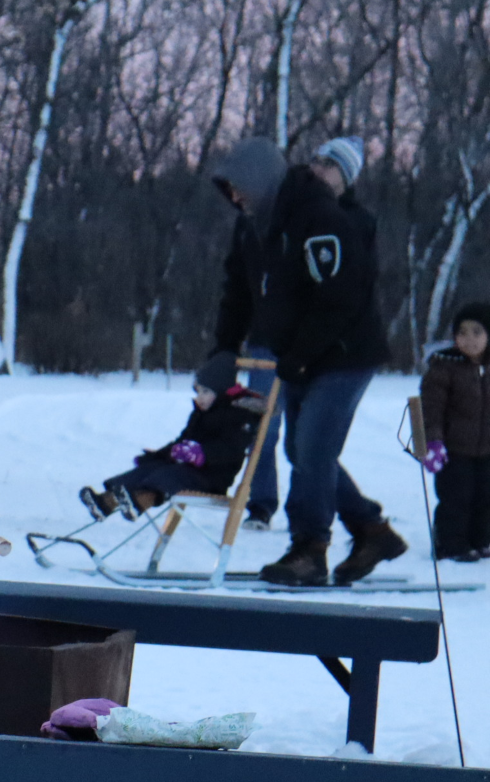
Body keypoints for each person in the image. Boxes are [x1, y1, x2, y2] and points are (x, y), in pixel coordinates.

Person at [255, 136, 407, 587]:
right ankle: (371, 531)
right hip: (307, 352)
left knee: (315, 449)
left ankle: (310, 547)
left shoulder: (347, 221)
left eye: (331, 165)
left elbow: (340, 298)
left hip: (345, 354)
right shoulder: (296, 213)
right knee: (299, 449)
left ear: (346, 178)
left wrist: (301, 352)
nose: (319, 169)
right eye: (317, 160)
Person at [80, 351, 265, 521]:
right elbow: (182, 441)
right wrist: (158, 455)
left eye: (206, 392)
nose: (200, 397)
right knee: (151, 468)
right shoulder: (201, 413)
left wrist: (202, 453)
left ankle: (140, 501)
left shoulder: (240, 415)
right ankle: (105, 502)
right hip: (189, 469)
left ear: (223, 391)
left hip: (212, 477)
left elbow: (232, 449)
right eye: (198, 391)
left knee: (169, 475)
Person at [211, 136, 289, 528]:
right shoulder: (246, 227)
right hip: (264, 344)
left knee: (308, 440)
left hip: (307, 343)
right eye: (230, 191)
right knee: (262, 427)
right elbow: (237, 291)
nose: (235, 197)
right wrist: (224, 347)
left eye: (239, 188)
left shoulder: (298, 218)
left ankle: (325, 513)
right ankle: (262, 503)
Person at [418, 302, 490, 560]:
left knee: (485, 497)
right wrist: (433, 441)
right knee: (457, 497)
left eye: (477, 332)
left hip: (487, 450)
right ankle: (450, 543)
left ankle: (481, 539)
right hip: (453, 449)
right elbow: (431, 409)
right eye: (462, 332)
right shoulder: (444, 367)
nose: (469, 339)